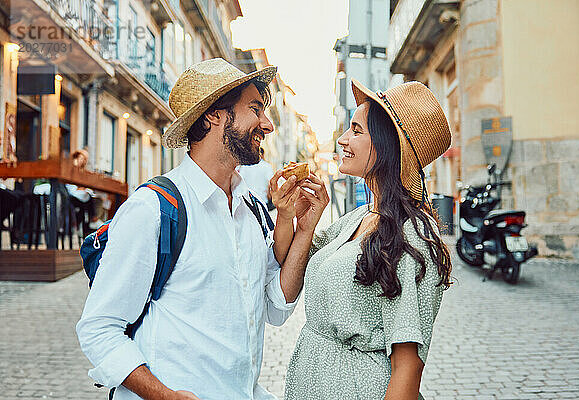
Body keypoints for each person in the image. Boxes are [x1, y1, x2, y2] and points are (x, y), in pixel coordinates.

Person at [76, 58, 329, 400]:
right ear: (214, 114)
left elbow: (275, 307)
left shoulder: (251, 209)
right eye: (256, 109)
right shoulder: (152, 210)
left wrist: (303, 229)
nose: (267, 125)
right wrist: (165, 396)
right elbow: (99, 329)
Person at [284, 80, 453, 400]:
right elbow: (290, 272)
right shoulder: (358, 217)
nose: (342, 139)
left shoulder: (412, 238)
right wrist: (300, 221)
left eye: (357, 130)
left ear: (388, 145)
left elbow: (408, 366)